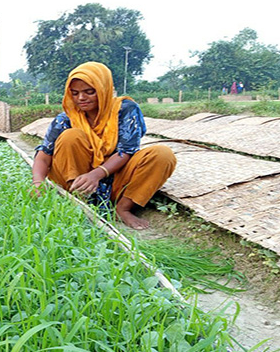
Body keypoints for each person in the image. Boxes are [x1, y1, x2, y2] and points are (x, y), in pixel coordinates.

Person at [31, 62, 176, 230]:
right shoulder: (66, 119)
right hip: (77, 182)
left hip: (115, 179)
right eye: (75, 93)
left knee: (162, 154)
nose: (81, 98)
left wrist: (97, 174)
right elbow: (44, 154)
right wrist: (37, 182)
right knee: (71, 136)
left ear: (103, 89)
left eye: (89, 92)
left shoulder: (125, 110)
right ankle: (79, 200)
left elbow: (126, 151)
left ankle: (122, 208)